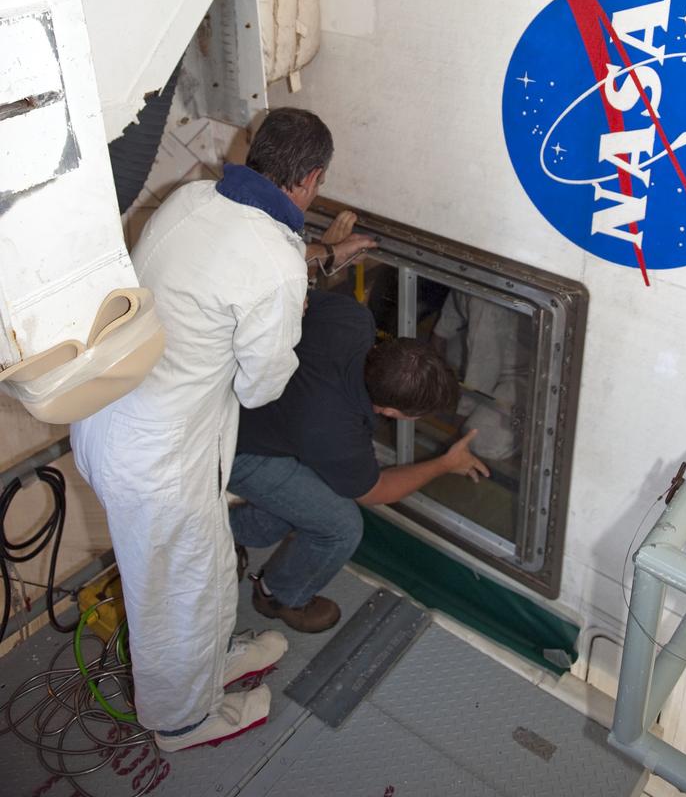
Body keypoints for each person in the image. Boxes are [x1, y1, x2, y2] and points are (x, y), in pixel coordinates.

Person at [71, 108, 373, 752]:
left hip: (115, 418)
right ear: (313, 179)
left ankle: (209, 664)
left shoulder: (192, 199)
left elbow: (244, 265)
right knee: (177, 591)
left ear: (252, 150)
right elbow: (261, 387)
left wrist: (317, 260)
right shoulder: (275, 264)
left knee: (204, 575)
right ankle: (182, 721)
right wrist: (289, 311)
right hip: (159, 460)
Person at [229, 288, 489, 629]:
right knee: (339, 527)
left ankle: (224, 534)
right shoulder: (334, 429)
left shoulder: (350, 317)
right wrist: (446, 463)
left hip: (231, 393)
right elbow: (375, 490)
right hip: (232, 445)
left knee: (310, 500)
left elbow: (290, 301)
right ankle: (278, 595)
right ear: (390, 411)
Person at [431, 290, 532, 462]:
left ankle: (531, 429)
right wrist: (437, 341)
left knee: (482, 440)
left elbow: (483, 366)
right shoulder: (475, 282)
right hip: (488, 346)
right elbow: (456, 300)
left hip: (522, 372)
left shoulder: (488, 302)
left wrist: (457, 426)